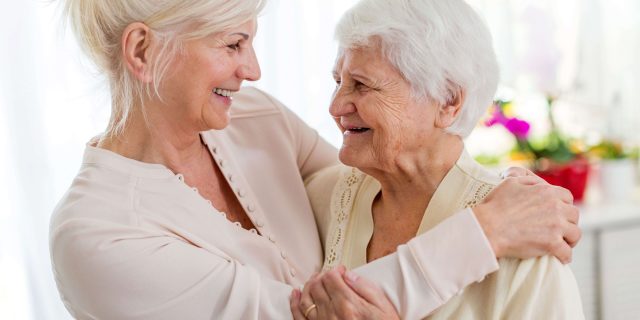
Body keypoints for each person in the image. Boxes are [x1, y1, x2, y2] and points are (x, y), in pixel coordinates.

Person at [50, 0, 580, 319]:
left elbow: (378, 172)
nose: (253, 69)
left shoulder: (252, 118)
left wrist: (517, 195)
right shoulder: (97, 233)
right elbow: (299, 315)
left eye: (251, 43)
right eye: (233, 44)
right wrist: (486, 229)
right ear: (142, 52)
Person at [292, 0, 584, 319]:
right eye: (338, 82)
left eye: (361, 85)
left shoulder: (529, 239)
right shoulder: (324, 198)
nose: (336, 107)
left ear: (448, 100)